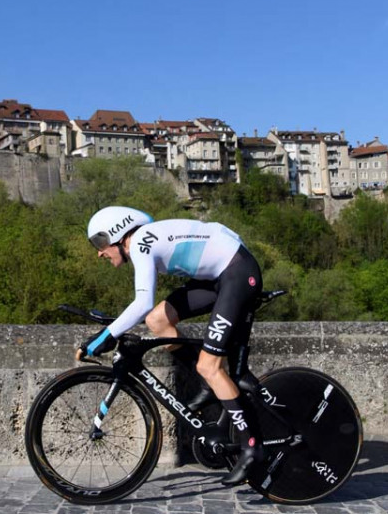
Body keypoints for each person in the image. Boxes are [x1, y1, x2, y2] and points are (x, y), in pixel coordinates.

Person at [76, 206, 264, 486]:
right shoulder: (146, 239)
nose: (99, 252)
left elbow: (141, 302)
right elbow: (148, 311)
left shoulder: (140, 242)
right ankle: (206, 383)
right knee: (158, 320)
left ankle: (252, 447)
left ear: (117, 233)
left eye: (101, 242)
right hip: (218, 277)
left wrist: (105, 336)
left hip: (237, 273)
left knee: (210, 365)